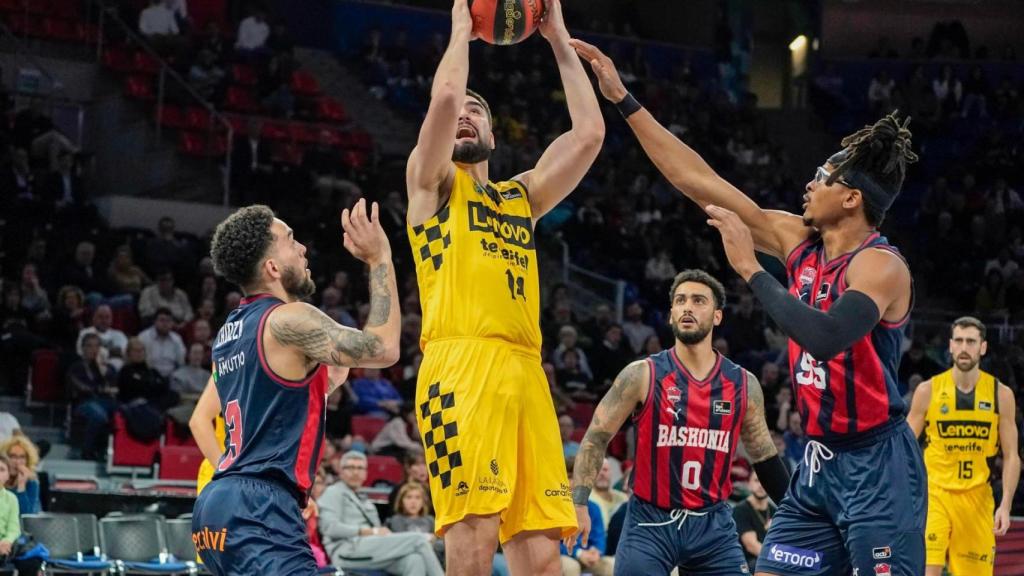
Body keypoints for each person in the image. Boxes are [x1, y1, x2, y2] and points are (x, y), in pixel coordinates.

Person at [572, 40, 924, 576]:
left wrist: (749, 269)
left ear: (852, 197)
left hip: (879, 466)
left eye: (824, 177)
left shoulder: (881, 267)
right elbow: (699, 182)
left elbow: (827, 336)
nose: (810, 183)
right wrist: (624, 100)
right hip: (818, 460)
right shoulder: (795, 238)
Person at [404, 1, 603, 573]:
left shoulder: (521, 199)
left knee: (541, 553)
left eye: (479, 111)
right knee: (472, 542)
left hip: (527, 375)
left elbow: (588, 134)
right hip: (459, 370)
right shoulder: (432, 183)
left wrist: (559, 40)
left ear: (495, 133)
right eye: (461, 110)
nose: (465, 113)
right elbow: (444, 99)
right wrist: (462, 31)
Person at [191, 200, 401, 575]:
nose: (303, 248)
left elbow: (301, 390)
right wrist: (380, 258)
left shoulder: (230, 331)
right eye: (290, 240)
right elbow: (384, 349)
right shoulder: (288, 319)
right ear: (272, 267)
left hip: (218, 506)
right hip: (259, 505)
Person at [564, 270, 788, 575]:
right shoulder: (641, 374)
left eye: (698, 301)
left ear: (718, 316)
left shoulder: (743, 384)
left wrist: (796, 512)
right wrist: (579, 502)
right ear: (671, 315)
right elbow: (595, 437)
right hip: (649, 520)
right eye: (680, 301)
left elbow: (764, 456)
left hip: (713, 525)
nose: (687, 307)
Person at [907, 317, 1020, 576]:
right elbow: (903, 448)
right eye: (959, 340)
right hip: (935, 495)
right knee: (927, 570)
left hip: (978, 499)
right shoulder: (928, 391)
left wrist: (1005, 505)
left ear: (983, 347)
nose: (964, 347)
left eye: (971, 341)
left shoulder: (1000, 394)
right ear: (950, 346)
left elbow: (1012, 455)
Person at [317, 451, 443, 576]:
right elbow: (329, 527)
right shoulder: (333, 492)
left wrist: (378, 533)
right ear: (340, 471)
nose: (355, 472)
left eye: (360, 468)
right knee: (419, 539)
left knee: (414, 560)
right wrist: (368, 531)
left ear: (366, 473)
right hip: (347, 551)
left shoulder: (364, 499)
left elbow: (378, 532)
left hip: (370, 549)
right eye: (350, 467)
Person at [733, 472, 777, 574]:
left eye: (764, 482)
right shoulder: (741, 510)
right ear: (749, 484)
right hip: (747, 562)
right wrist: (779, 559)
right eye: (757, 480)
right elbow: (752, 546)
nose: (761, 485)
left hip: (770, 559)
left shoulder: (775, 511)